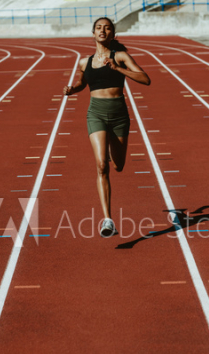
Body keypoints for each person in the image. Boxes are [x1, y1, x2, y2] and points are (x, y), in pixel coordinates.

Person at [63, 17, 151, 238]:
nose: (103, 31)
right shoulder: (84, 62)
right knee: (102, 166)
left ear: (113, 34)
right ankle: (108, 220)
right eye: (99, 28)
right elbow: (83, 83)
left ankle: (112, 149)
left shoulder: (120, 57)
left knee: (118, 165)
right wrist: (72, 89)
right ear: (93, 33)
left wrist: (118, 69)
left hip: (119, 116)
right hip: (96, 114)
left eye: (107, 28)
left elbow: (145, 79)